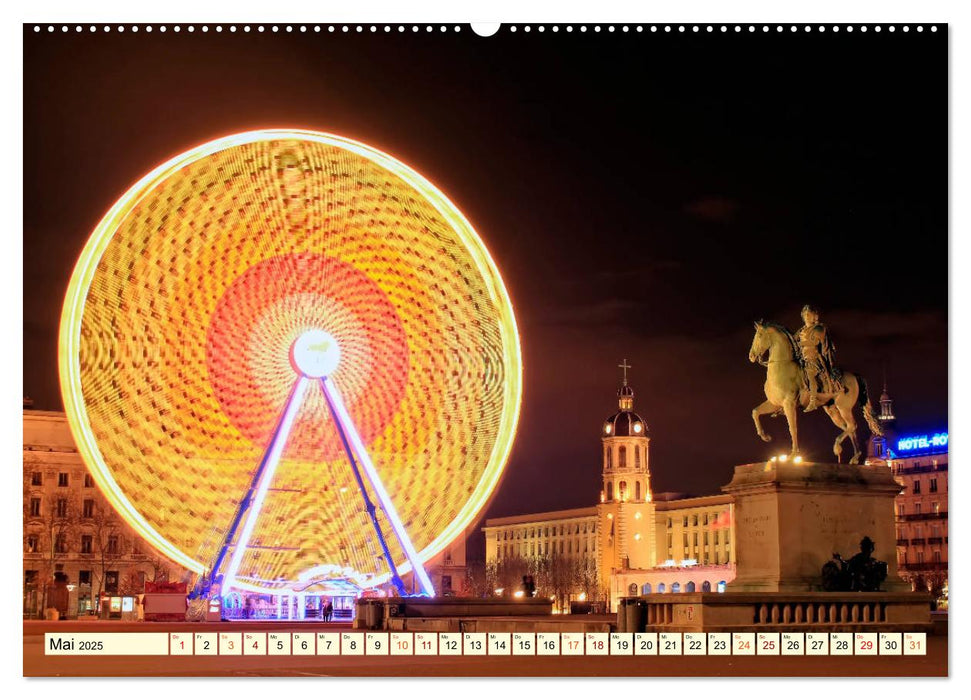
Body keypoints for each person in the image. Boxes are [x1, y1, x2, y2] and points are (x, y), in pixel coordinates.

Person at [797, 305, 842, 412]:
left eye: (809, 314)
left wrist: (800, 343)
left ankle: (812, 401)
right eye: (805, 315)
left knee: (810, 374)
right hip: (802, 358)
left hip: (814, 357)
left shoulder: (819, 328)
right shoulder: (801, 331)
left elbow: (816, 342)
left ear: (814, 316)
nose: (807, 317)